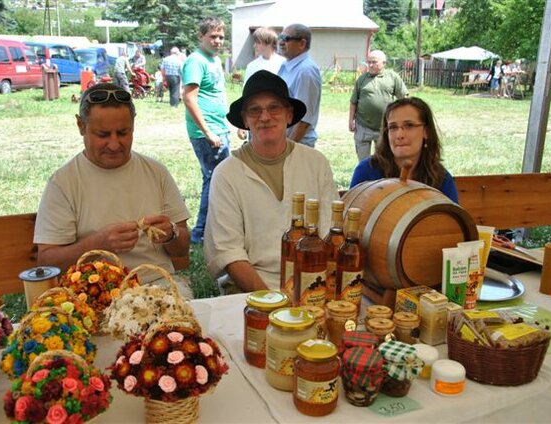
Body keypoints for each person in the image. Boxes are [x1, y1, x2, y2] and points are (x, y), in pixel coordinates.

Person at [34, 83, 192, 296]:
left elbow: (182, 248)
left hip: (157, 286)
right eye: (103, 134)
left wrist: (171, 234)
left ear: (133, 126)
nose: (115, 144)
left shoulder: (155, 171)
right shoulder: (64, 182)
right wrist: (99, 243)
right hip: (94, 293)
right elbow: (47, 262)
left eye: (123, 133)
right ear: (81, 126)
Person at [204, 70, 338, 293]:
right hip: (250, 291)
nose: (265, 117)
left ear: (289, 114)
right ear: (245, 120)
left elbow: (329, 233)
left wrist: (313, 290)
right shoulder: (227, 174)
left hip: (312, 284)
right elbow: (228, 252)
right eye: (255, 110)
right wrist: (270, 301)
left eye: (274, 107)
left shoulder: (315, 163)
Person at [349, 97, 459, 203]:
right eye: (393, 127)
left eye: (409, 125)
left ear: (426, 131)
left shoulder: (441, 179)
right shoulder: (366, 172)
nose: (399, 135)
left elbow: (451, 221)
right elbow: (350, 218)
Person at [182, 17, 230, 244]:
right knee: (215, 181)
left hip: (220, 129)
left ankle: (207, 230)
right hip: (207, 134)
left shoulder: (215, 60)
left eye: (220, 36)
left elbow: (218, 94)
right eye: (212, 36)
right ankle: (201, 233)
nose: (217, 41)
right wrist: (209, 132)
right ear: (201, 36)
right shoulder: (195, 61)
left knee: (216, 181)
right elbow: (189, 98)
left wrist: (232, 123)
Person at [349, 50, 409, 162]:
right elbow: (353, 102)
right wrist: (351, 121)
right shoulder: (362, 79)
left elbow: (404, 99)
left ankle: (383, 179)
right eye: (369, 62)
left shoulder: (393, 77)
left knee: (384, 160)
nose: (370, 65)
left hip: (384, 127)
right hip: (363, 125)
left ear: (384, 63)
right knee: (363, 162)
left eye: (374, 62)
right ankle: (365, 179)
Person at [277, 23, 322, 147]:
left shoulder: (306, 71)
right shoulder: (286, 66)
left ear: (302, 44)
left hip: (297, 144)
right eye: (280, 37)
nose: (281, 42)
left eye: (286, 39)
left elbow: (304, 120)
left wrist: (286, 148)